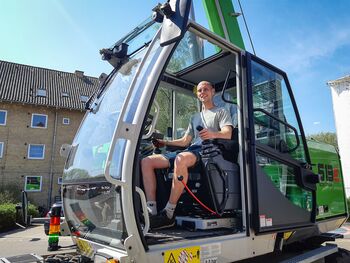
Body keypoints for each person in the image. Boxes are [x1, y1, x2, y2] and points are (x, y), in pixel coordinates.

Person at [141, 81, 233, 230]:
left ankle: (168, 213)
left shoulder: (221, 112)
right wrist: (164, 142)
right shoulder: (195, 117)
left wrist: (212, 134)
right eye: (200, 91)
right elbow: (185, 141)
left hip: (205, 150)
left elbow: (227, 134)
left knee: (180, 159)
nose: (202, 92)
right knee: (147, 162)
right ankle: (152, 212)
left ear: (213, 92)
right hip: (190, 149)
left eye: (206, 89)